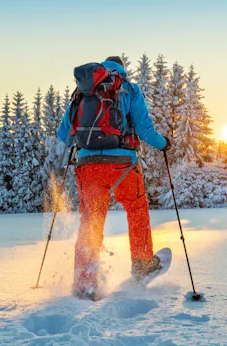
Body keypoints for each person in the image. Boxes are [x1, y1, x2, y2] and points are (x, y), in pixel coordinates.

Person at [57, 56, 170, 300]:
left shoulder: (83, 91)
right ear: (122, 70)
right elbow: (143, 128)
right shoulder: (128, 88)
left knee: (91, 221)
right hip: (122, 166)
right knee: (136, 208)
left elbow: (64, 133)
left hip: (88, 167)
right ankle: (141, 264)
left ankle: (85, 283)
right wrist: (163, 144)